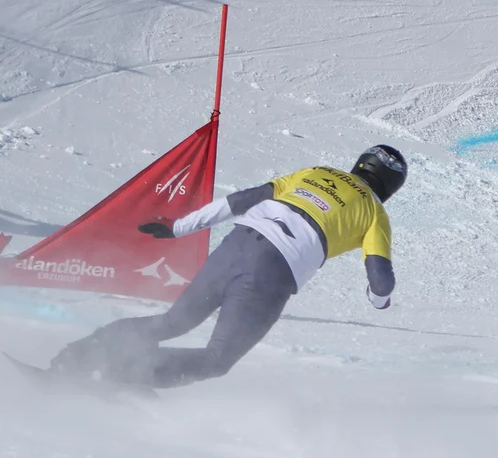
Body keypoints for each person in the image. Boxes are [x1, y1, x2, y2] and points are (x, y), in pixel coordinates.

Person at [49, 146, 407, 390]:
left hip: (235, 246)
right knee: (216, 359)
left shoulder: (315, 172)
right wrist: (380, 302)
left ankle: (76, 357)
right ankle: (117, 373)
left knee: (172, 322)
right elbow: (381, 280)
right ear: (391, 187)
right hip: (271, 274)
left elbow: (238, 201)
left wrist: (177, 228)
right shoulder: (374, 212)